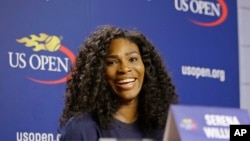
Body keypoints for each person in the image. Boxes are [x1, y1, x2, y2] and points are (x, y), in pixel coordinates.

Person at [58, 25, 178, 141]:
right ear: (99, 72)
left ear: (146, 66)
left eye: (132, 59)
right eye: (112, 62)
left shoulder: (162, 129)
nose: (125, 69)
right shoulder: (83, 129)